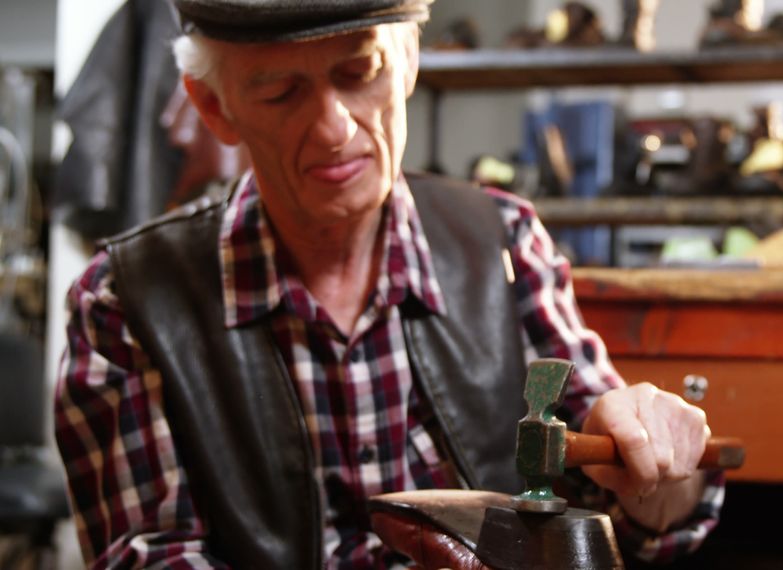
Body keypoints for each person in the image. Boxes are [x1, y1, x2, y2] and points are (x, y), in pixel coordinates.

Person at [54, 1, 726, 567]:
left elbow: (636, 517)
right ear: (214, 106)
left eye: (360, 71)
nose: (335, 126)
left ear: (407, 60)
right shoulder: (127, 302)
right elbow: (155, 554)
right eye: (280, 91)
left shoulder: (503, 242)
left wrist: (658, 468)